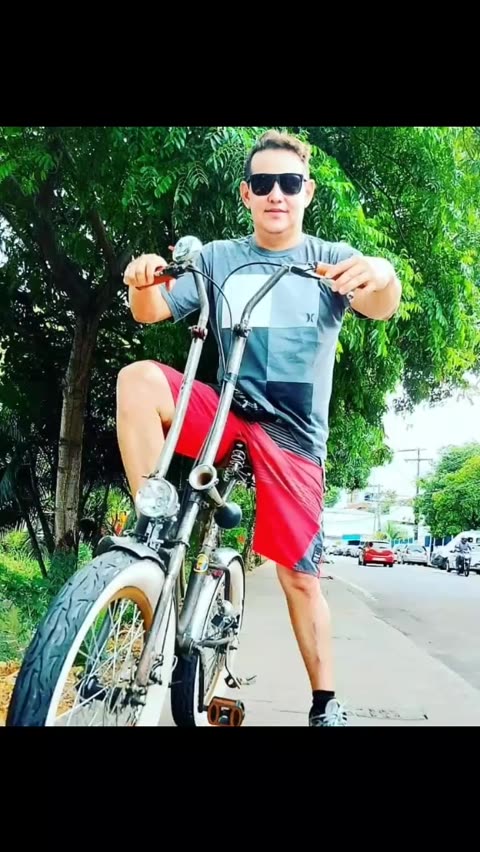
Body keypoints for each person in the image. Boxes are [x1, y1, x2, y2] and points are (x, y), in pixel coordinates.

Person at [119, 130, 402, 726]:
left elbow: (382, 303)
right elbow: (152, 311)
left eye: (289, 183)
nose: (277, 194)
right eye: (264, 183)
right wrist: (142, 282)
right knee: (137, 380)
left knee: (298, 576)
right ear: (247, 193)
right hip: (226, 410)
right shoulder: (217, 258)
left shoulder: (330, 258)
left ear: (307, 192)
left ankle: (325, 702)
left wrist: (379, 271)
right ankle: (152, 527)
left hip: (293, 433)